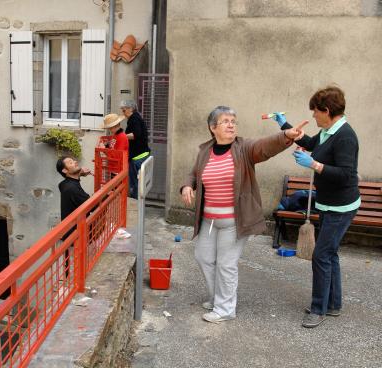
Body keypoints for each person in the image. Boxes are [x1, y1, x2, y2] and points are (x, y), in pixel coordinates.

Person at [180, 105, 305, 324]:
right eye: (225, 121)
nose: (231, 125)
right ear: (212, 128)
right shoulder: (205, 151)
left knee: (226, 264)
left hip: (234, 221)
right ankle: (216, 297)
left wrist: (286, 135)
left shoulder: (244, 148)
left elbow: (264, 146)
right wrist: (187, 186)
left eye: (233, 121)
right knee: (203, 257)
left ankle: (225, 308)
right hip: (209, 220)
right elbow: (193, 174)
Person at [272, 86, 360, 328]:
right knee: (329, 254)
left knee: (321, 255)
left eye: (315, 112)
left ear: (327, 110)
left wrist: (314, 165)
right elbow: (311, 142)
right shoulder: (328, 131)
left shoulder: (345, 137)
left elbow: (345, 175)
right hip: (328, 203)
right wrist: (284, 124)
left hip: (341, 207)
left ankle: (318, 309)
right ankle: (333, 304)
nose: (313, 116)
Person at [120, 100, 151, 198]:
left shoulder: (134, 119)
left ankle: (136, 204)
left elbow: (136, 134)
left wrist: (122, 136)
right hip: (141, 154)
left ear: (130, 109)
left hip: (138, 156)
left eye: (124, 110)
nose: (123, 113)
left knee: (135, 184)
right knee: (137, 183)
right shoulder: (136, 117)